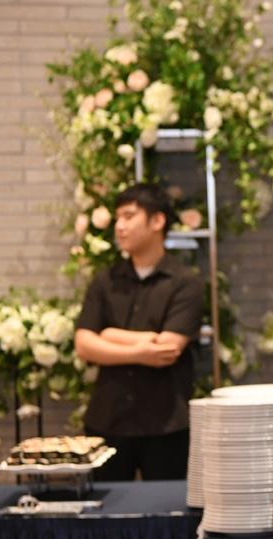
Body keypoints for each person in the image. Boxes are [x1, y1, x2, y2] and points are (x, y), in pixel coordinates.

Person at [74, 182, 203, 481]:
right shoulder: (105, 280)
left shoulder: (185, 282)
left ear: (157, 221)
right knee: (102, 520)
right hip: (108, 420)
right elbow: (84, 344)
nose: (120, 226)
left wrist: (108, 335)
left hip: (166, 423)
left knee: (168, 514)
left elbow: (167, 350)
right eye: (118, 218)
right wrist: (141, 345)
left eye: (129, 216)